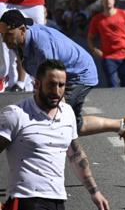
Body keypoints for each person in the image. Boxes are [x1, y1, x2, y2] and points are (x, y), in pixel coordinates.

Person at [0, 10, 125, 156]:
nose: (4, 39)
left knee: (59, 117)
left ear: (22, 30)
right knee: (75, 124)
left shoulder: (41, 45)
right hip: (64, 73)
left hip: (78, 74)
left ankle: (73, 159)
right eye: (2, 35)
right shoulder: (18, 41)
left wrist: (59, 107)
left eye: (8, 34)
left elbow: (55, 81)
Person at [0, 59, 110, 210]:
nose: (57, 91)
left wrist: (94, 192)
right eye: (51, 84)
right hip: (25, 200)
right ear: (37, 84)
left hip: (57, 200)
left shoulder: (67, 113)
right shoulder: (15, 114)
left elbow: (76, 156)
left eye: (61, 85)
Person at [88, 0, 125, 88]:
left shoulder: (124, 14)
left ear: (114, 0)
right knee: (113, 84)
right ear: (101, 2)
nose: (108, 0)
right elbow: (90, 38)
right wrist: (94, 49)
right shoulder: (97, 19)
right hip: (108, 57)